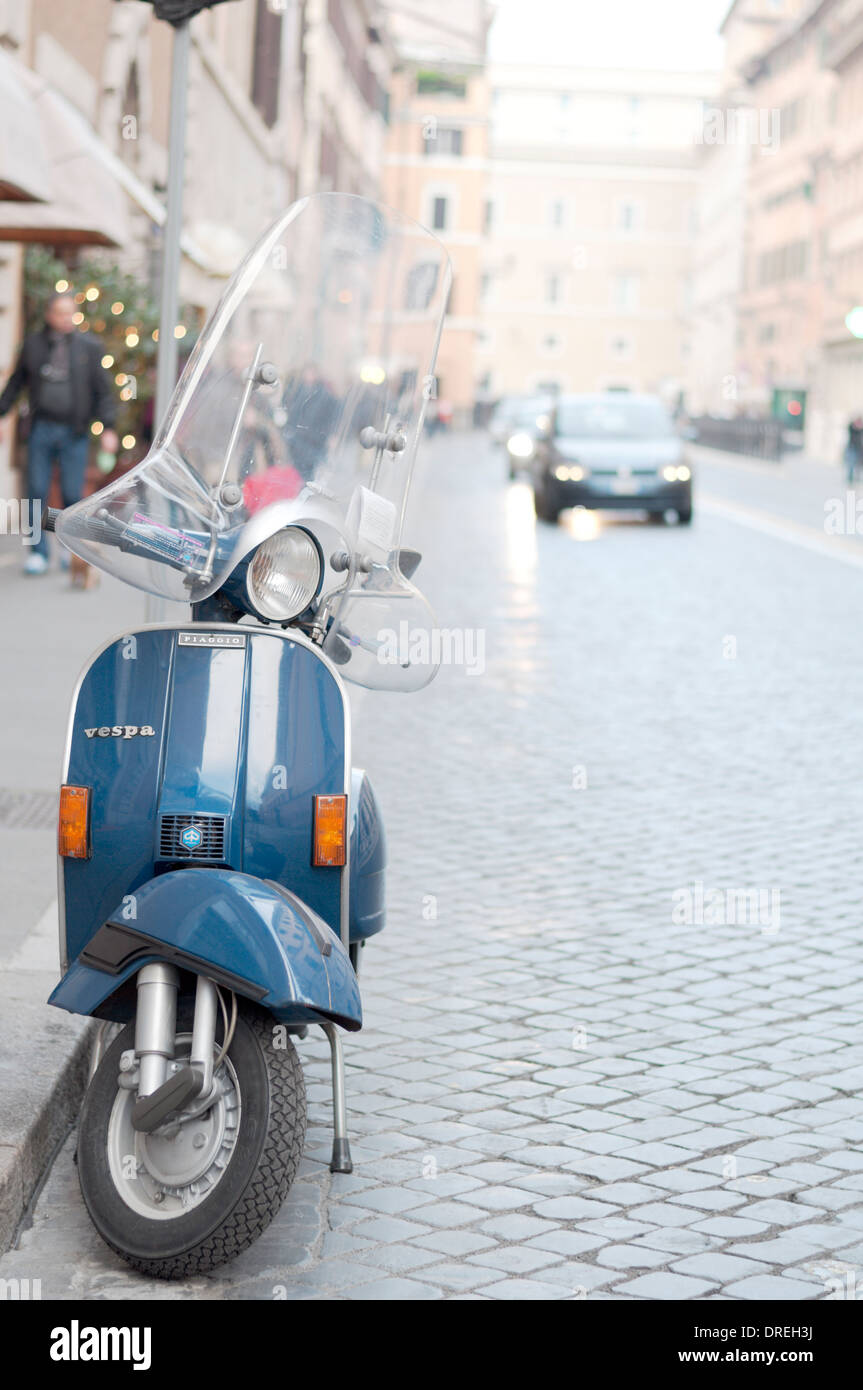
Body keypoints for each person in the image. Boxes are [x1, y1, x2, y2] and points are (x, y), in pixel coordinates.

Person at [0, 292, 118, 574]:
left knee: (70, 493)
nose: (67, 318)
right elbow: (16, 383)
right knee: (36, 490)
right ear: (49, 315)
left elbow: (103, 389)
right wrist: (1, 413)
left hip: (75, 431)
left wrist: (109, 427)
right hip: (41, 427)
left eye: (71, 312)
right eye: (61, 313)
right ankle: (37, 553)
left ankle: (69, 550)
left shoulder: (89, 346)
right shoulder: (33, 345)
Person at [845, 416, 863, 484]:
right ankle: (850, 477)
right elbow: (850, 427)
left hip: (859, 448)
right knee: (851, 462)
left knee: (858, 464)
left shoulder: (861, 430)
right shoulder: (852, 428)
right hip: (852, 447)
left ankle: (857, 477)